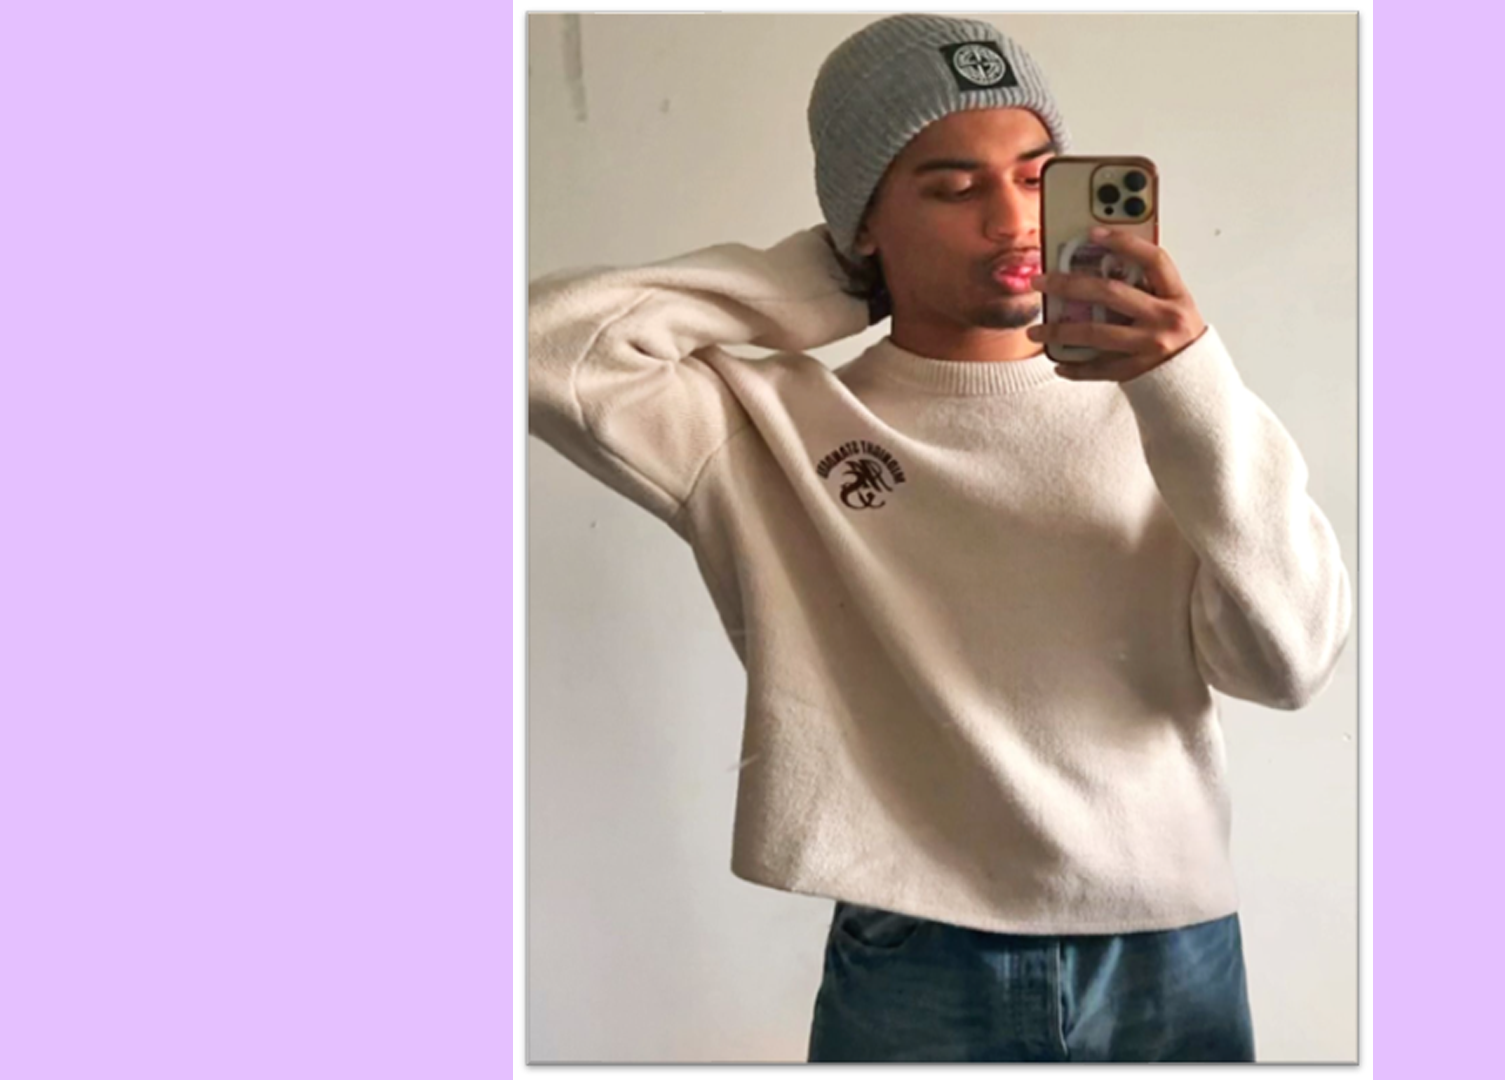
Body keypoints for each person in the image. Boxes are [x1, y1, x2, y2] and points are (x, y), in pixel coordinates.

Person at [528, 13, 1353, 1063]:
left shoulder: (1172, 408)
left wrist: (1188, 382)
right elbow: (540, 346)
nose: (1012, 219)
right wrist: (829, 280)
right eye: (954, 187)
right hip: (912, 952)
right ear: (864, 221)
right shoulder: (766, 428)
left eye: (1039, 177)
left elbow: (1289, 664)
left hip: (1166, 949)